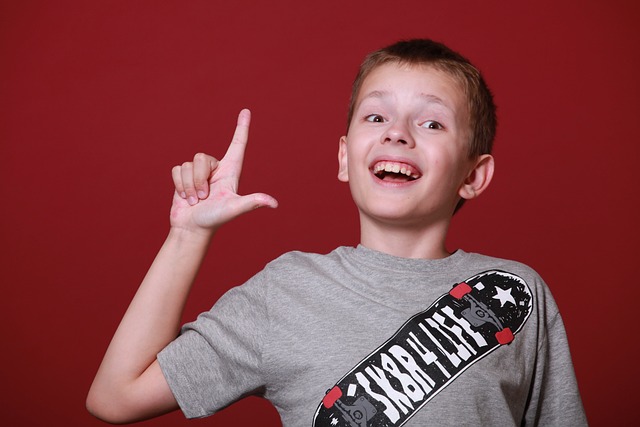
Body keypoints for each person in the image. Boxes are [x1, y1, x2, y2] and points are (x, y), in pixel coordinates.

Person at [87, 39, 587, 426]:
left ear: (473, 175)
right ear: (345, 157)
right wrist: (188, 234)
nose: (397, 132)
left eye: (432, 123)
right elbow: (116, 396)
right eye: (376, 116)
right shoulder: (286, 292)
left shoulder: (514, 293)